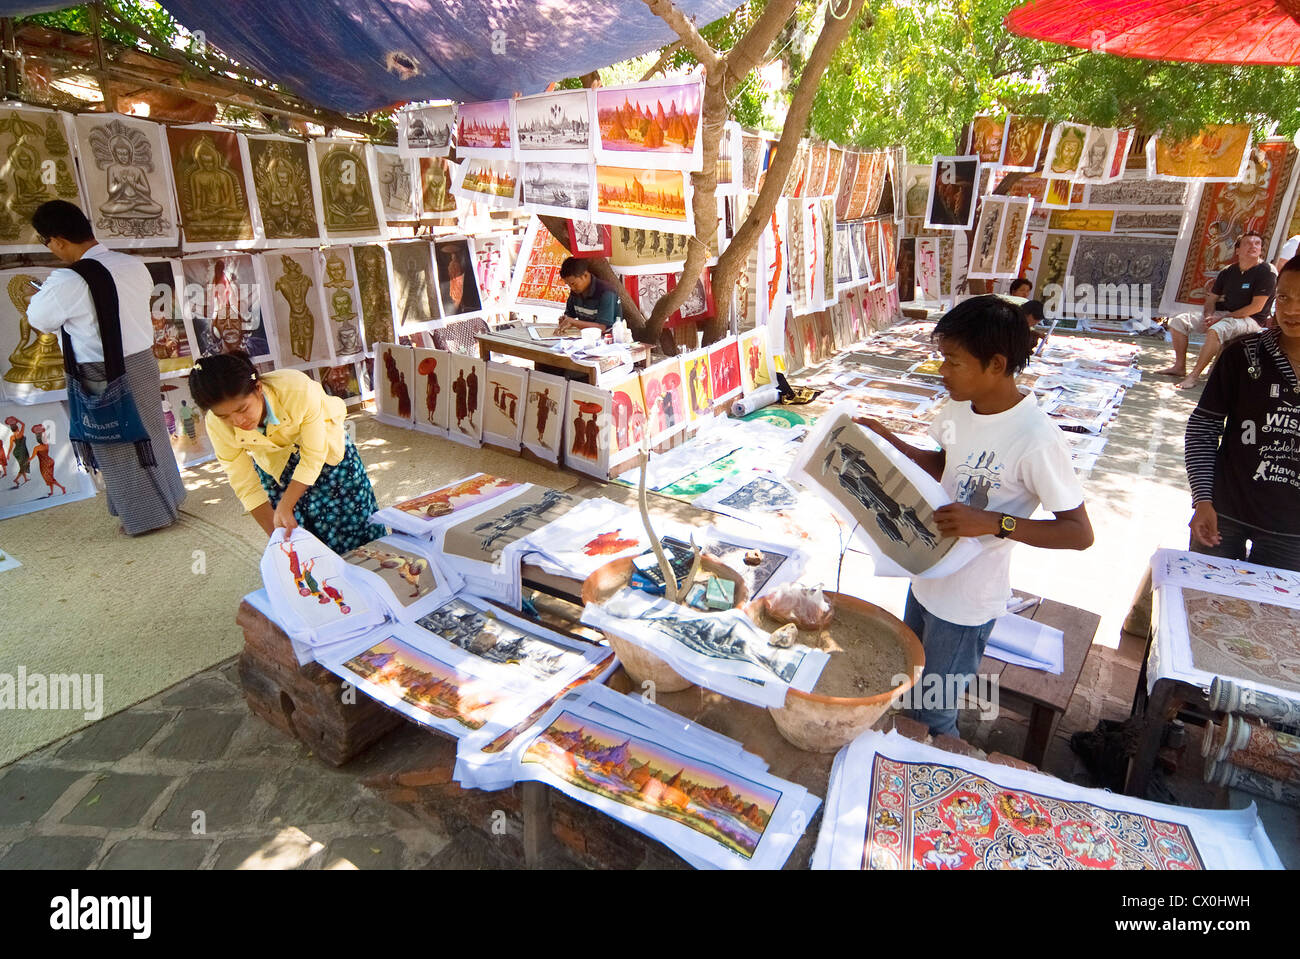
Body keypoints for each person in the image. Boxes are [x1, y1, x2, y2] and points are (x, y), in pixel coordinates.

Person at [857, 295, 1093, 737]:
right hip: (928, 575)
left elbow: (1079, 534)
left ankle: (941, 789)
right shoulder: (960, 409)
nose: (942, 372)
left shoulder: (1037, 439)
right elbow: (945, 464)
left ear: (997, 364)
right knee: (910, 690)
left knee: (935, 712)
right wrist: (886, 440)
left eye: (953, 362)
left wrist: (993, 523)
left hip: (968, 600)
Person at [24, 200, 185, 534]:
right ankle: (169, 498)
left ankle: (147, 518)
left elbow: (39, 317)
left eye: (47, 243)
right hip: (141, 362)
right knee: (149, 434)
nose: (52, 250)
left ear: (57, 240)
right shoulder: (132, 265)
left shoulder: (69, 280)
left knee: (117, 442)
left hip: (102, 370)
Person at [188, 351, 386, 555]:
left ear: (258, 388)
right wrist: (278, 540)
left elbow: (313, 456)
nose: (237, 422)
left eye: (242, 409)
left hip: (326, 450)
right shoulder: (216, 424)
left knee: (354, 522)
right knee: (297, 535)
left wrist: (286, 504)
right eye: (224, 416)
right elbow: (245, 484)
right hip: (276, 464)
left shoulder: (296, 388)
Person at [1183, 256, 1300, 571]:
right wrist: (1203, 499)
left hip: (1292, 532)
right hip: (1223, 513)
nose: (1290, 310)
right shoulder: (1243, 354)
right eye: (1285, 297)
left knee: (1272, 616)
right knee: (1203, 606)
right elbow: (1204, 428)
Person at [1160, 232, 1276, 390]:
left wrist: (1221, 319)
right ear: (1237, 250)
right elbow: (1211, 299)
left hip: (1251, 319)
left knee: (1216, 329)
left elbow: (1256, 307)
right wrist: (1209, 315)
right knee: (1177, 322)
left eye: (1257, 243)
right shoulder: (1228, 271)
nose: (1253, 246)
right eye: (1248, 243)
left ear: (1261, 249)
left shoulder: (1267, 271)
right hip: (1226, 314)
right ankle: (1180, 366)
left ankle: (1193, 376)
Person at [555, 257, 621, 334]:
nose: (572, 288)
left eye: (573, 284)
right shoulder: (575, 291)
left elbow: (602, 327)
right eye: (569, 285)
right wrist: (565, 320)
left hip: (608, 340)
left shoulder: (606, 292)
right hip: (587, 337)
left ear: (585, 275)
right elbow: (570, 315)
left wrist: (573, 322)